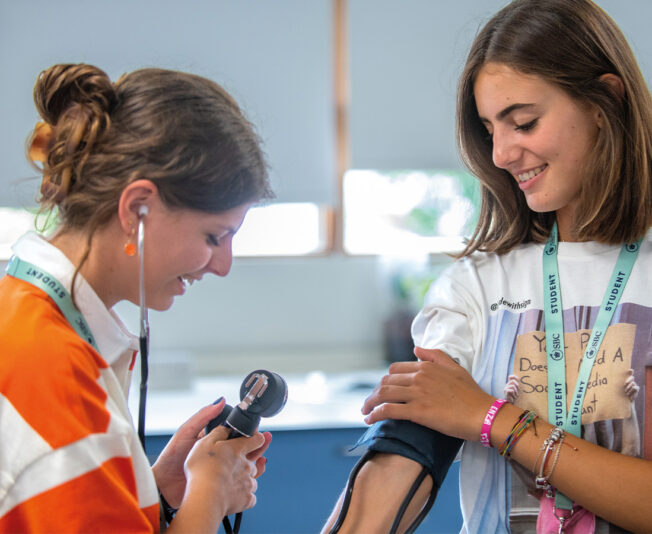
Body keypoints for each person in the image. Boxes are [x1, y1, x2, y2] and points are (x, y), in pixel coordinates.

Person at [322, 1, 652, 532]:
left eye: (523, 122)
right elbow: (404, 453)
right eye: (489, 128)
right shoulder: (476, 285)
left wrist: (490, 418)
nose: (500, 153)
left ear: (604, 101)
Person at [0, 63, 275, 533]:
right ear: (137, 209)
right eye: (214, 236)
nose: (223, 264)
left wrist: (155, 492)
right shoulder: (52, 368)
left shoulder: (26, 313)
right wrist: (208, 492)